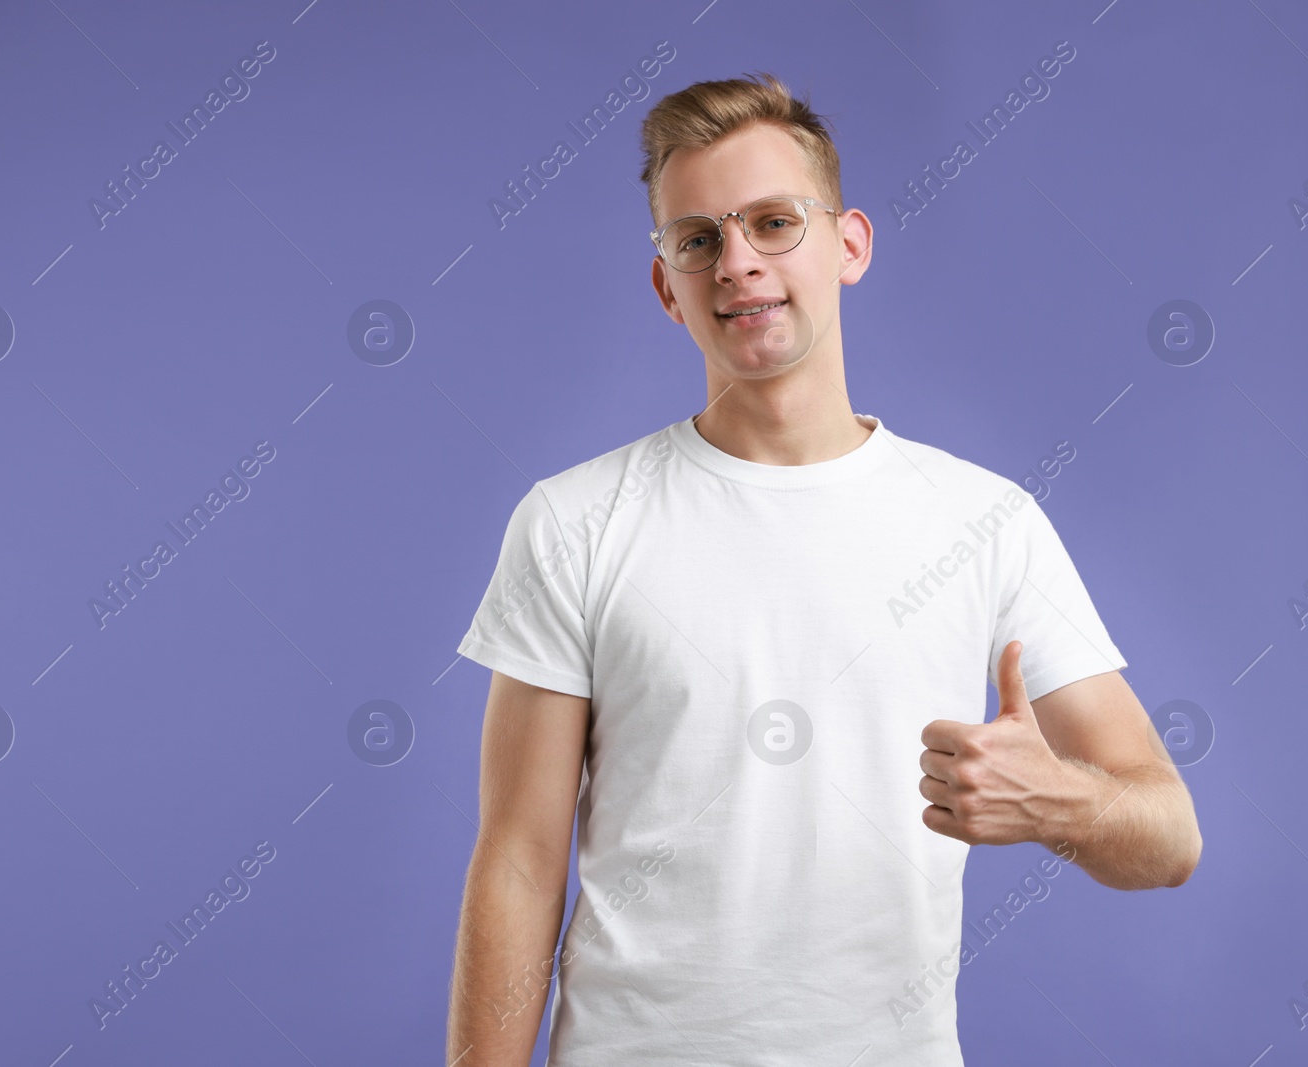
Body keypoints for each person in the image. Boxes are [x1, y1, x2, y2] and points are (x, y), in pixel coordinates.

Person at [445, 71, 1201, 1067]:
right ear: (666, 284)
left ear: (848, 245)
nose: (737, 264)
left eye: (773, 222)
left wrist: (1055, 799)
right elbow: (519, 858)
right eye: (698, 238)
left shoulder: (984, 521)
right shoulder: (574, 520)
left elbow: (1168, 836)